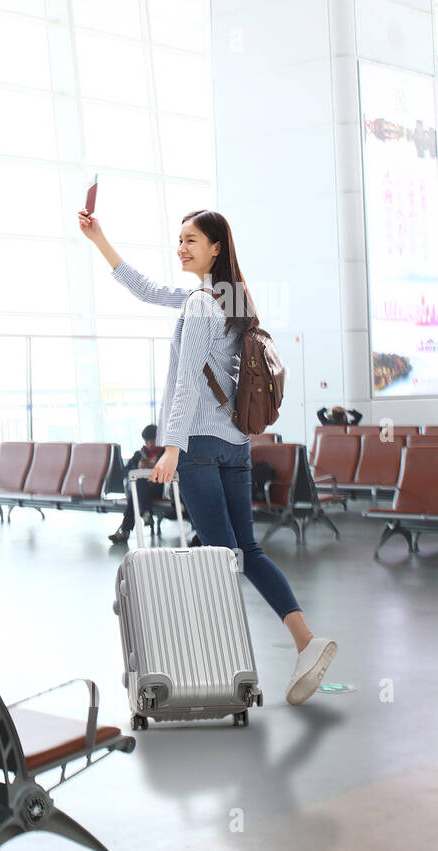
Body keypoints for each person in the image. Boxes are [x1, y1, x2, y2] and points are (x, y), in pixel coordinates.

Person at [79, 205, 337, 706]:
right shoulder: (231, 297)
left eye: (192, 240)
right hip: (237, 444)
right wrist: (100, 239)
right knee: (244, 552)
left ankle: (213, 673)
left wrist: (171, 447)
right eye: (179, 239)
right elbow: (150, 290)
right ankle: (306, 641)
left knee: (218, 563)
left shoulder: (201, 305)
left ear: (216, 248)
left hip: (198, 446)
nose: (181, 247)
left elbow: (187, 385)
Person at [109, 424, 165, 544]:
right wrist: (138, 466)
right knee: (138, 484)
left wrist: (155, 467)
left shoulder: (166, 454)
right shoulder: (139, 455)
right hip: (143, 490)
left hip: (159, 488)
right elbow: (125, 471)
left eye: (152, 440)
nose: (150, 444)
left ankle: (125, 530)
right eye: (147, 441)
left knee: (135, 493)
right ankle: (145, 514)